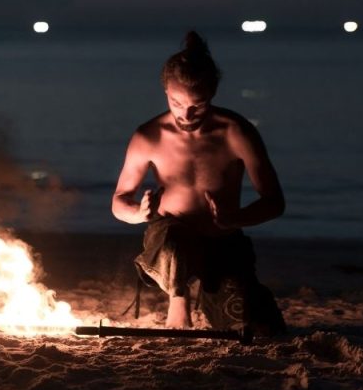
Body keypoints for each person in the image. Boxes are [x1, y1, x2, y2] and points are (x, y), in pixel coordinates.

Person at [112, 31, 286, 332]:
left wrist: (235, 218)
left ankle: (212, 297)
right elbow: (118, 201)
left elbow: (274, 202)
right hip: (171, 243)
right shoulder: (148, 136)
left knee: (255, 326)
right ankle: (178, 302)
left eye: (198, 104)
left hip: (222, 240)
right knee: (174, 240)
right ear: (165, 90)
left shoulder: (236, 132)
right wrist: (138, 214)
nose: (186, 113)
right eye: (176, 102)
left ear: (212, 94)